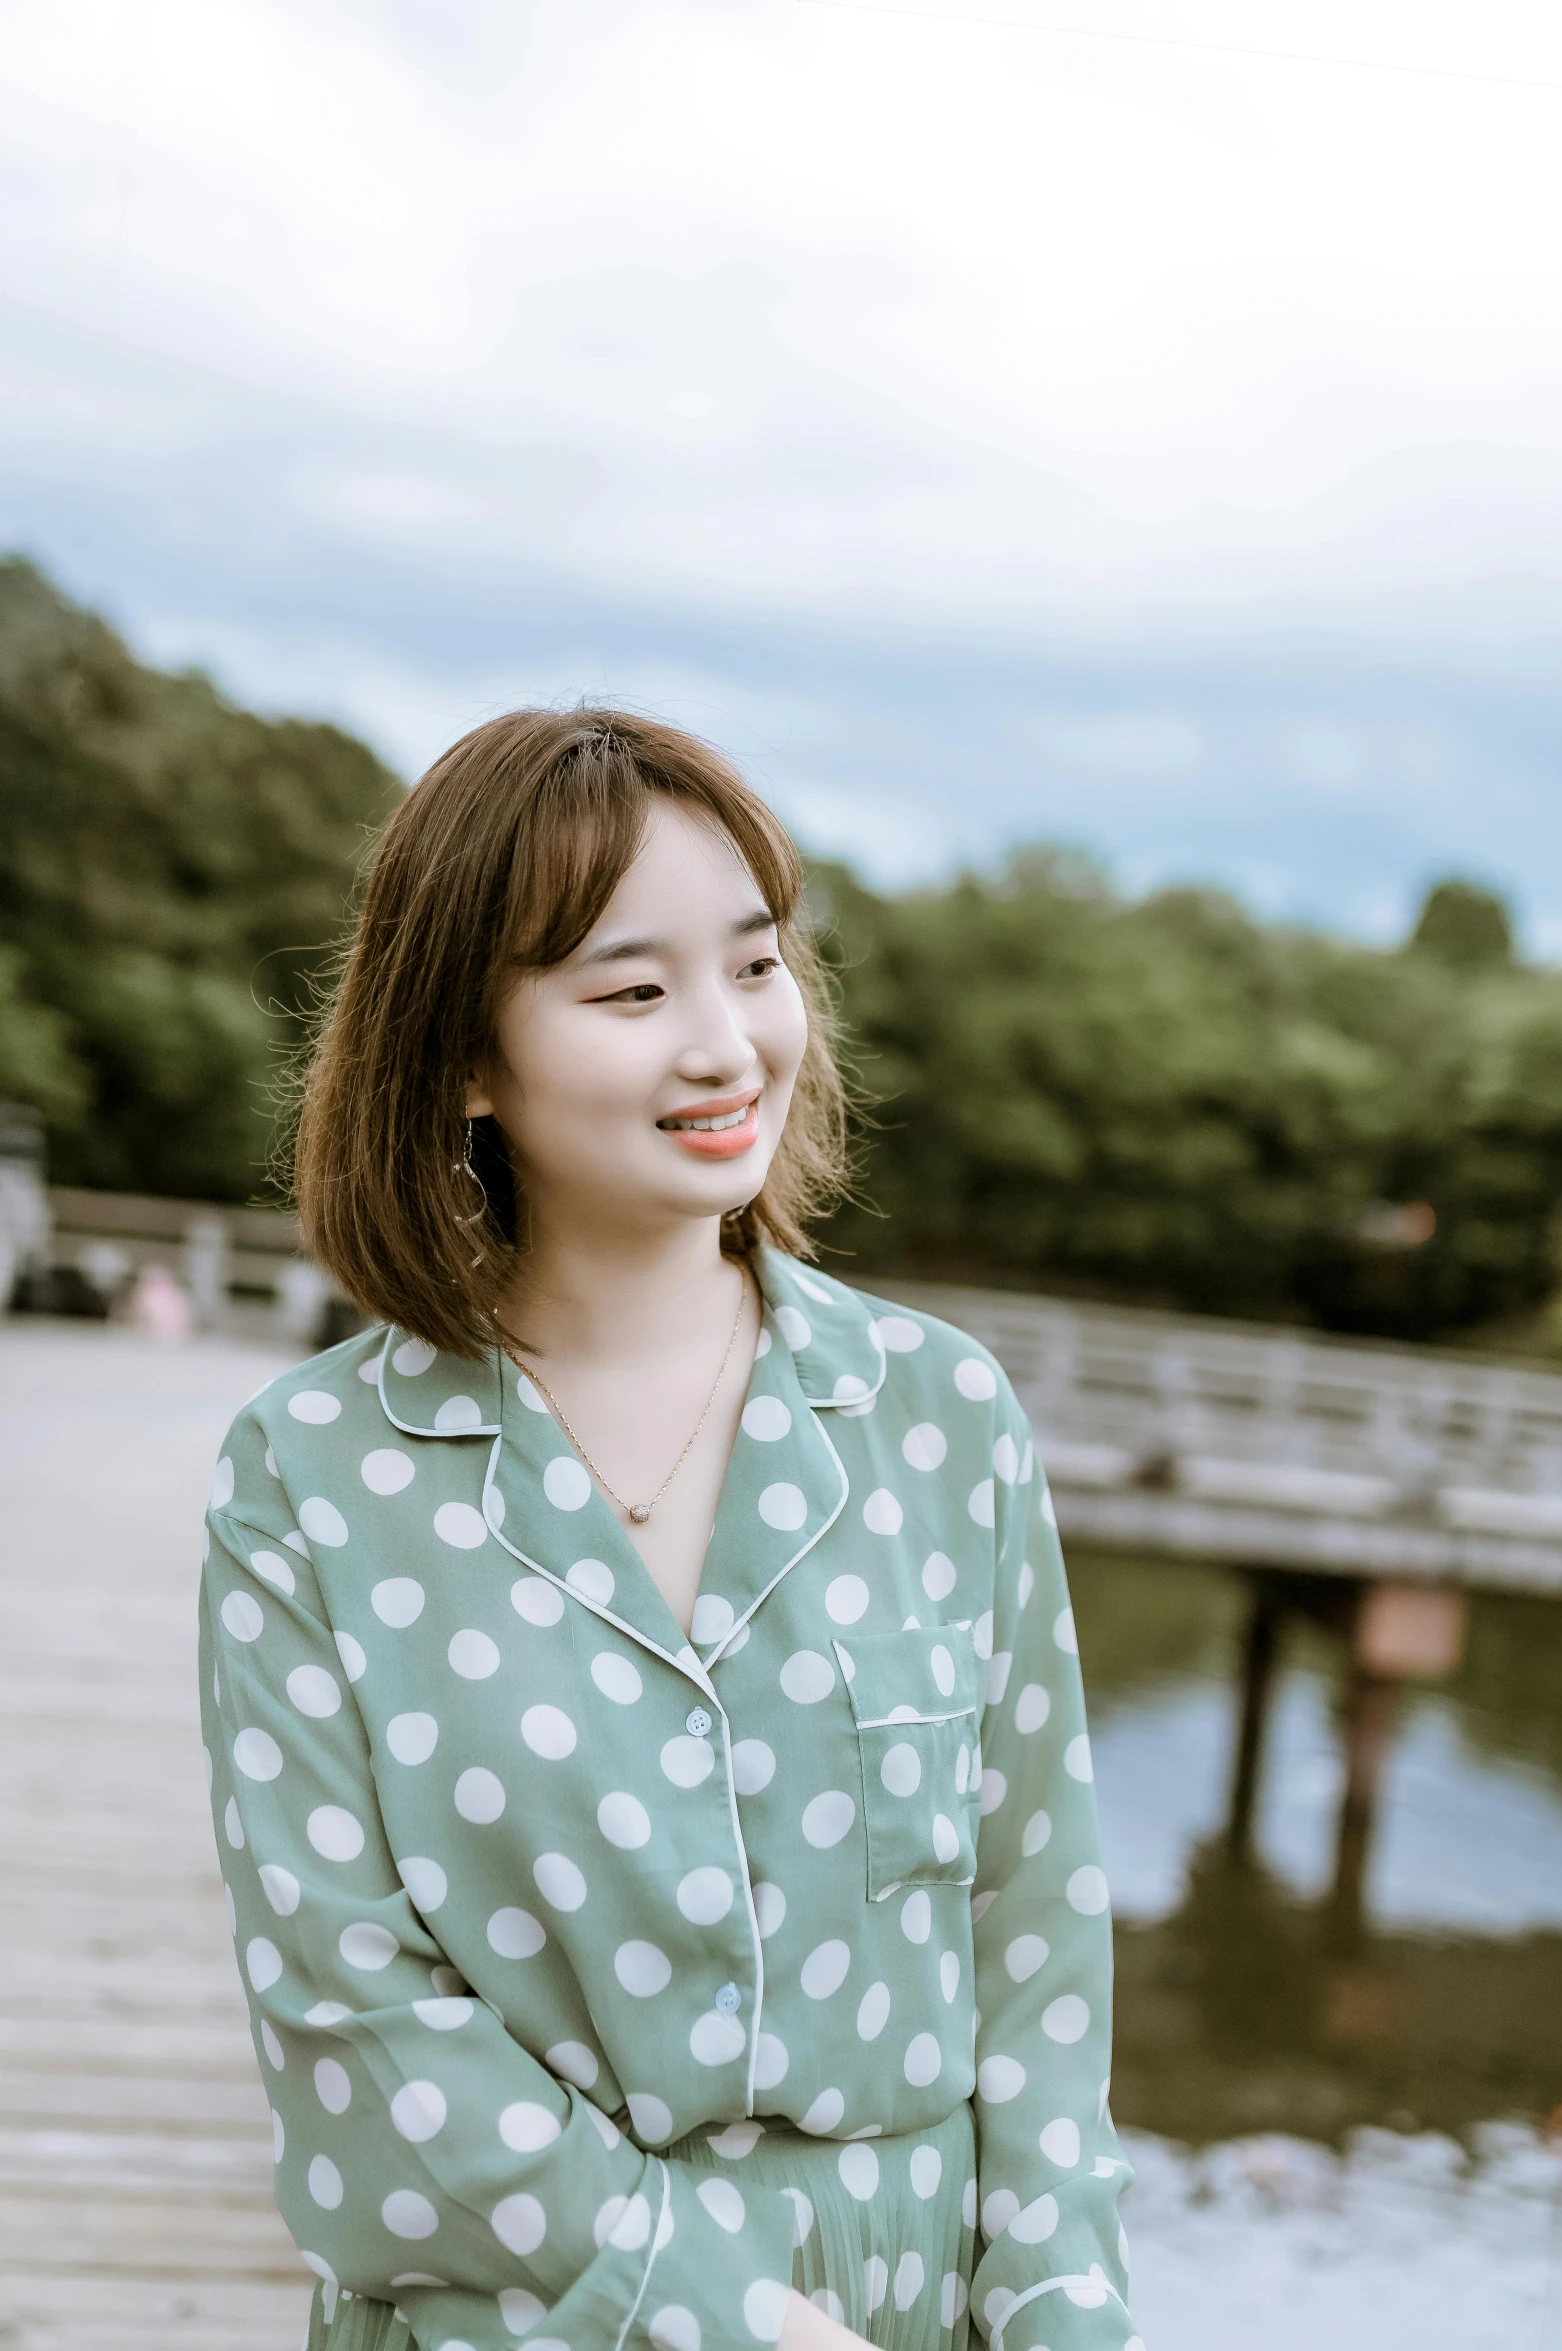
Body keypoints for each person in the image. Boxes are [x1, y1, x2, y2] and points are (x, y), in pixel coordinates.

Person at [198, 711, 1137, 2351]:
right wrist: (718, 2312)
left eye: (757, 966)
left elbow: (1031, 1925)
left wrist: (1066, 2308)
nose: (726, 1045)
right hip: (529, 2316)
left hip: (909, 2307)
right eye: (634, 992)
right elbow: (352, 2010)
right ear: (465, 1055)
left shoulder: (942, 1416)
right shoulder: (314, 1475)